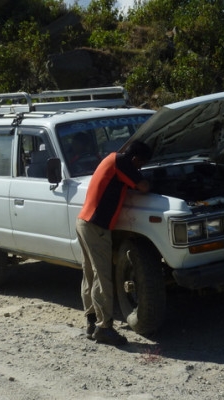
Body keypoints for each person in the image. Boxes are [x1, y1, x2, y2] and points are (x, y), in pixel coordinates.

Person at [76, 140, 152, 345]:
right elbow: (143, 187)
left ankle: (91, 322)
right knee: (103, 277)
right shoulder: (122, 162)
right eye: (141, 164)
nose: (140, 168)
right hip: (97, 226)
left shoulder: (111, 158)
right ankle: (104, 327)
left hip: (83, 221)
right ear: (135, 159)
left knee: (90, 274)